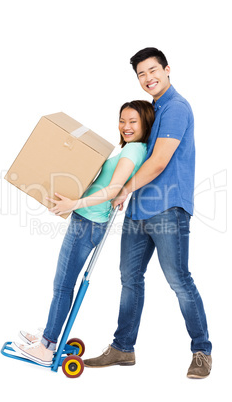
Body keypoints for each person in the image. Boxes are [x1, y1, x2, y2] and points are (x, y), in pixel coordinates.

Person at [83, 48, 212, 379]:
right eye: (141, 74)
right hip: (139, 211)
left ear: (167, 69)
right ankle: (123, 348)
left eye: (153, 70)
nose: (148, 78)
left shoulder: (176, 108)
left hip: (168, 208)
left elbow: (158, 162)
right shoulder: (152, 109)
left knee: (179, 280)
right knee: (130, 279)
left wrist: (123, 188)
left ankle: (202, 350)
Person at [12, 100, 155, 366]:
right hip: (87, 221)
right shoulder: (134, 149)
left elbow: (113, 188)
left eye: (133, 121)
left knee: (63, 286)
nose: (126, 126)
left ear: (145, 124)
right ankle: (48, 336)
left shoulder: (134, 151)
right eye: (122, 120)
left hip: (87, 222)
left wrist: (73, 204)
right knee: (63, 285)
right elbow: (118, 187)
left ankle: (46, 347)